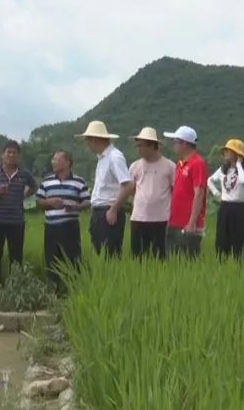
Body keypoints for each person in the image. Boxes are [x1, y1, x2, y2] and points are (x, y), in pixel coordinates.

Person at [0, 140, 36, 284]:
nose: (11, 155)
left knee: (16, 257)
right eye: (8, 152)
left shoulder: (24, 174)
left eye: (14, 153)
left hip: (16, 222)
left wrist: (23, 195)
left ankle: (15, 287)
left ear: (18, 156)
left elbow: (34, 187)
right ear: (2, 155)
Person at [113, 128, 174, 259]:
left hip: (161, 219)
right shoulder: (135, 166)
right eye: (137, 145)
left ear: (152, 145)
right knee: (138, 257)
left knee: (160, 257)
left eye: (141, 145)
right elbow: (130, 188)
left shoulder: (169, 166)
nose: (138, 149)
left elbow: (174, 190)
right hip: (138, 218)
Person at [36, 150, 90, 289]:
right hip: (51, 227)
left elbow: (87, 202)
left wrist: (76, 207)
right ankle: (53, 292)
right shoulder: (47, 181)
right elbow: (39, 202)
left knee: (73, 260)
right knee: (51, 260)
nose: (53, 162)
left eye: (57, 160)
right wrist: (50, 202)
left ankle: (74, 290)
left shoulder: (79, 181)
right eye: (53, 159)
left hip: (70, 227)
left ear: (67, 163)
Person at [76, 121, 131, 257]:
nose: (87, 145)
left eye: (87, 140)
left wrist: (113, 209)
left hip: (109, 212)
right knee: (99, 253)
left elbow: (128, 185)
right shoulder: (102, 159)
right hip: (99, 212)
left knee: (109, 255)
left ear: (95, 139)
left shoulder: (114, 157)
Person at [207, 139, 244, 259]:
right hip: (225, 207)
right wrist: (216, 193)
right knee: (223, 240)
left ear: (237, 154)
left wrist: (238, 164)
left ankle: (242, 264)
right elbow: (209, 180)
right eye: (225, 152)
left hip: (240, 208)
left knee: (241, 241)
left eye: (229, 151)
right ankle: (223, 263)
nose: (225, 154)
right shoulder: (223, 169)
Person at [165, 126, 207, 257]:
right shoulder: (180, 164)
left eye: (175, 142)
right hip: (174, 221)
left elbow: (199, 193)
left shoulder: (197, 163)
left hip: (188, 224)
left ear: (184, 143)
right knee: (172, 262)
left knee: (188, 263)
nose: (174, 145)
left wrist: (192, 222)